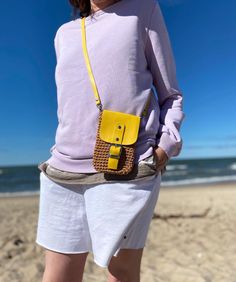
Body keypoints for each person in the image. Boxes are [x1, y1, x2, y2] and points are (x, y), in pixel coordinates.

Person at [36, 0, 185, 281]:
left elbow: (171, 94)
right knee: (57, 275)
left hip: (126, 164)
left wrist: (165, 147)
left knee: (122, 273)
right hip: (61, 171)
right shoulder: (63, 33)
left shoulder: (144, 10)